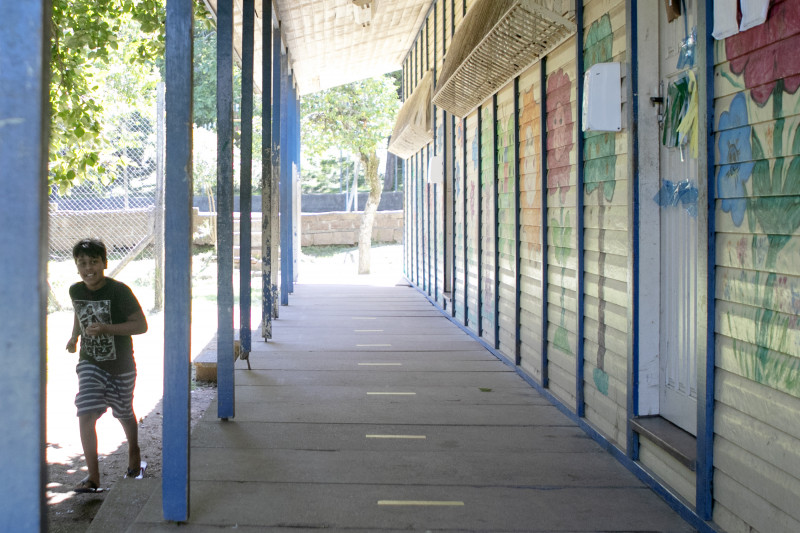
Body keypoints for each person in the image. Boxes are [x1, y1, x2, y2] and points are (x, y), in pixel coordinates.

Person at [65, 238, 148, 493]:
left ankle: (134, 451)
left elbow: (141, 325)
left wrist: (106, 329)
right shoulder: (75, 290)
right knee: (85, 412)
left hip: (121, 365)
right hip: (90, 363)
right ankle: (93, 477)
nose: (88, 268)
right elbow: (79, 313)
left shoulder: (119, 291)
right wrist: (74, 336)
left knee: (123, 412)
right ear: (76, 266)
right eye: (82, 263)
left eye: (93, 262)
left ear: (104, 263)